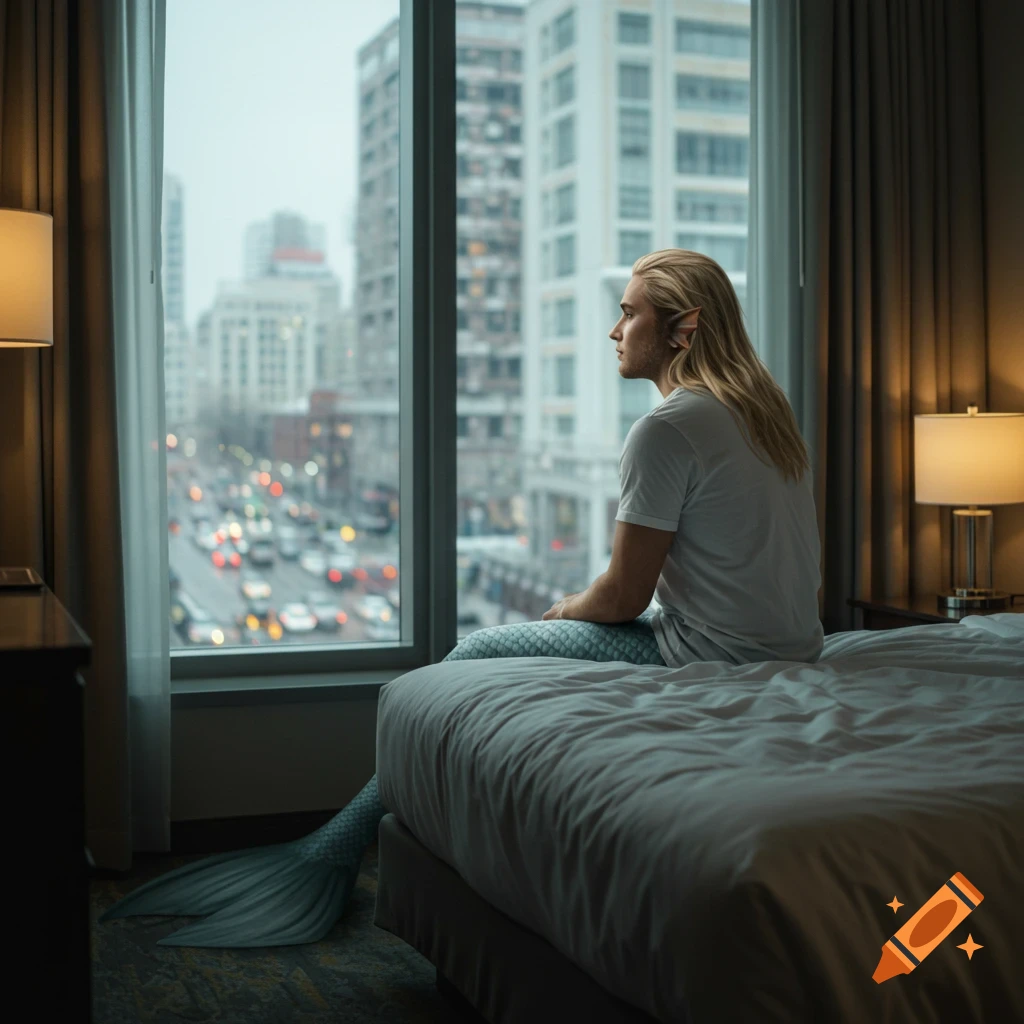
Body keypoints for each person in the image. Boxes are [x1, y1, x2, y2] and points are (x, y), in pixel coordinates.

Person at [100, 249, 822, 947]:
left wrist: (565, 610)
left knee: (476, 650)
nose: (613, 329)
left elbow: (624, 597)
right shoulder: (766, 413)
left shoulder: (668, 429)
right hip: (794, 653)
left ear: (682, 328)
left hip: (707, 660)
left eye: (628, 314)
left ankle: (334, 848)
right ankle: (331, 846)